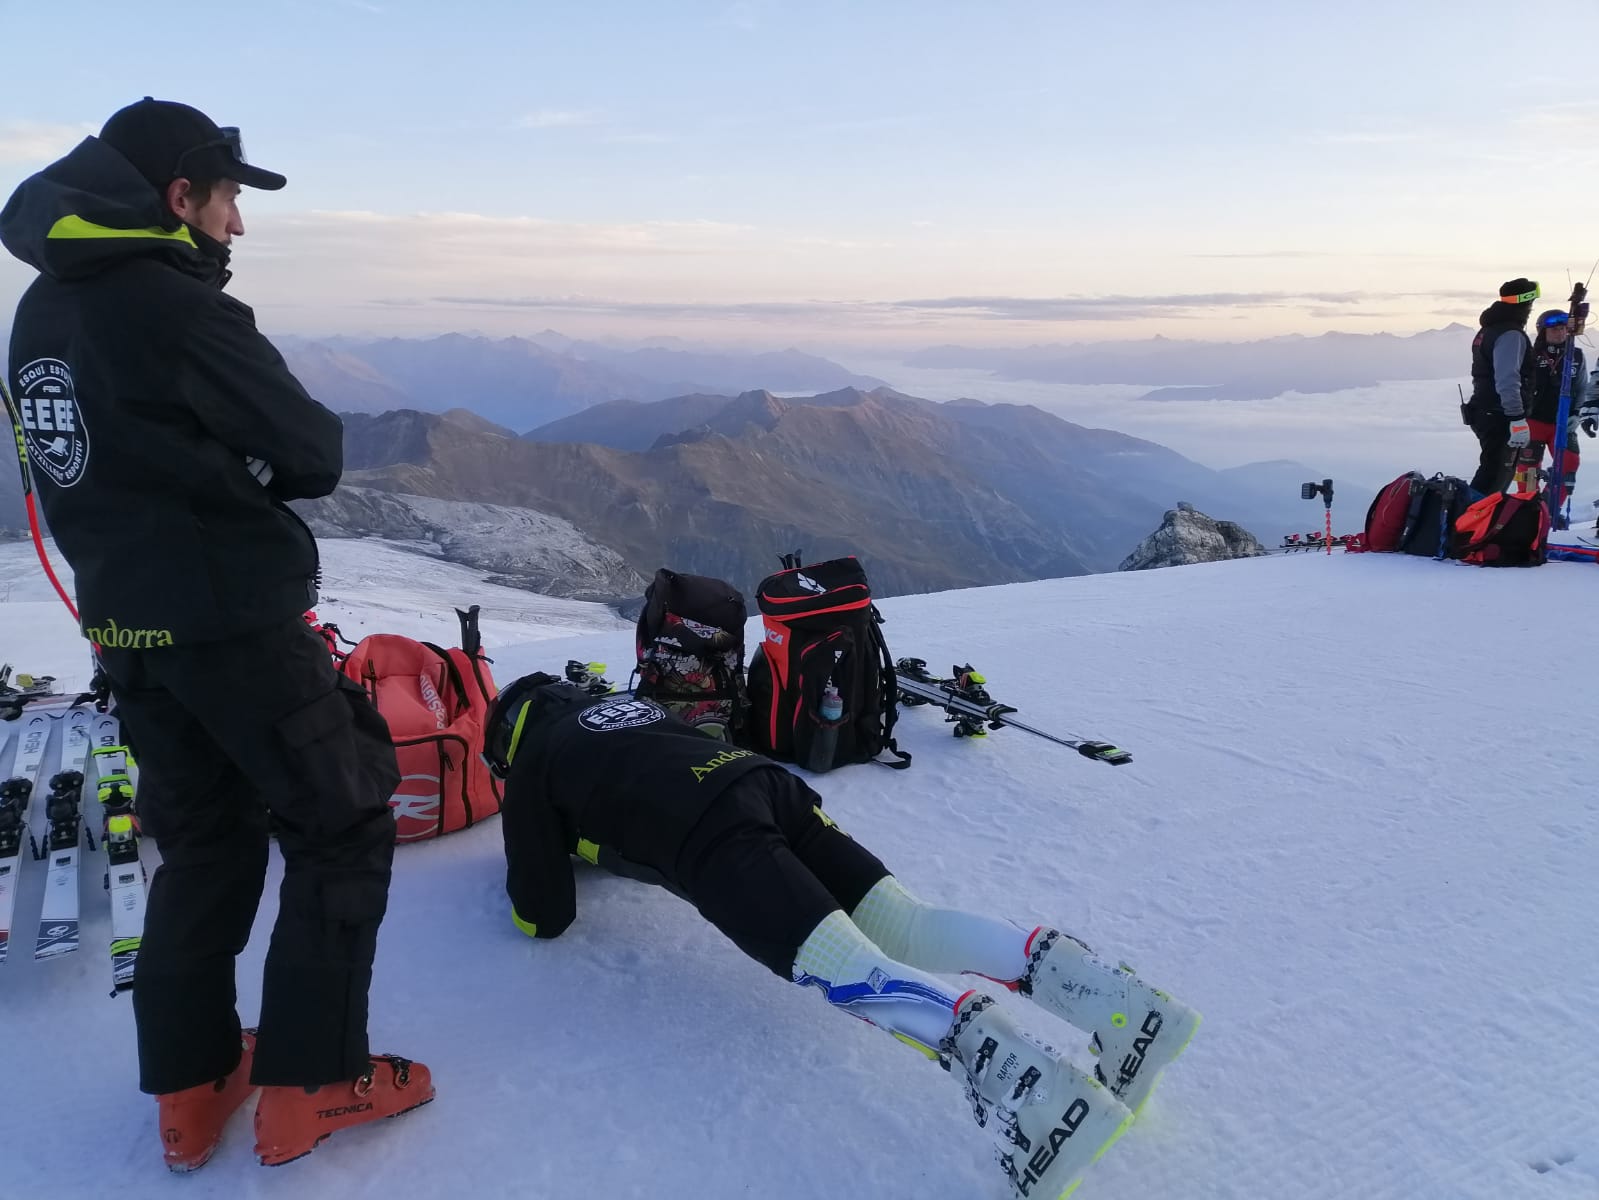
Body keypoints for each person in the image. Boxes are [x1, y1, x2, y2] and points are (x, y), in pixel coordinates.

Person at [0, 98, 433, 1171]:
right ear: (178, 195)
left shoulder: (40, 308)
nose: (238, 223)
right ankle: (313, 1081)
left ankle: (192, 1088)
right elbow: (313, 452)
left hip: (126, 630)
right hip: (233, 623)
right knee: (342, 820)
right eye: (229, 197)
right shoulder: (174, 307)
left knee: (204, 841)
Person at [482, 673, 1201, 1200]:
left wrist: (561, 837)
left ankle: (1045, 1104)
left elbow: (542, 916)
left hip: (710, 839)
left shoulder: (536, 760)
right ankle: (1126, 1010)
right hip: (765, 786)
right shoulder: (626, 705)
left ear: (509, 740)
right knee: (907, 924)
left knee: (849, 968)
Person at [1465, 278, 1539, 493]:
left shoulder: (1488, 330)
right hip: (1500, 415)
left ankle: (1473, 511)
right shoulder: (1510, 334)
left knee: (1492, 471)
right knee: (1495, 476)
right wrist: (1516, 418)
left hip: (1484, 409)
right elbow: (1507, 380)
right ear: (1525, 303)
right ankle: (1473, 513)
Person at [1524, 308, 1597, 511]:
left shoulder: (1576, 355)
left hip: (1563, 422)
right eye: (1554, 329)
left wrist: (1576, 413)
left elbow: (1581, 387)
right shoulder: (1530, 355)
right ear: (1543, 332)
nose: (1560, 333)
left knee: (1569, 465)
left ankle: (1548, 509)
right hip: (1533, 421)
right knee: (1528, 471)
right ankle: (1527, 512)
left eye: (1564, 328)